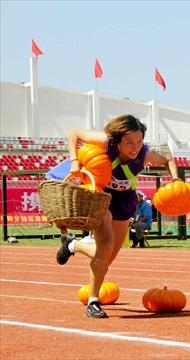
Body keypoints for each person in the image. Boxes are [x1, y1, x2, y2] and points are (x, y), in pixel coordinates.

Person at [56, 114, 179, 318]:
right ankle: (93, 302)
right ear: (117, 141)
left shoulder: (144, 154)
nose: (135, 147)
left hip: (125, 201)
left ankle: (72, 245)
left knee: (107, 257)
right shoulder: (105, 143)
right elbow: (74, 134)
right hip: (101, 196)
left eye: (139, 141)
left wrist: (175, 180)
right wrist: (74, 161)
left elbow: (168, 159)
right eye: (129, 142)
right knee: (105, 245)